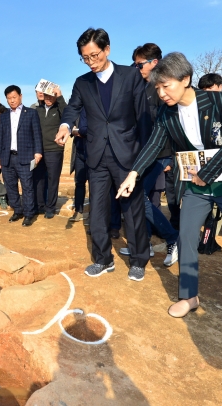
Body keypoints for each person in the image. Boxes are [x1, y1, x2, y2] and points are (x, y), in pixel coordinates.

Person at [118, 52, 222, 335]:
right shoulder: (167, 114)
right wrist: (133, 174)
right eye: (157, 87)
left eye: (166, 85)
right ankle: (188, 296)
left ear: (186, 79)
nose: (161, 92)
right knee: (187, 237)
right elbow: (154, 145)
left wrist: (207, 173)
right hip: (194, 184)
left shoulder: (219, 101)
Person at [55, 28, 151, 281]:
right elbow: (72, 108)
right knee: (97, 210)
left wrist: (144, 155)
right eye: (85, 58)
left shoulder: (130, 76)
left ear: (107, 49)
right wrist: (65, 126)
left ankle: (139, 260)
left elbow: (143, 117)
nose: (91, 62)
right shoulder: (82, 83)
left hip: (127, 154)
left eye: (94, 55)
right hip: (96, 155)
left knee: (132, 209)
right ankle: (103, 259)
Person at [130, 43, 179, 265]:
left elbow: (172, 125)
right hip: (145, 153)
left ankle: (172, 237)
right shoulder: (141, 88)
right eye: (135, 63)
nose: (136, 67)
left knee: (140, 197)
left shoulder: (163, 89)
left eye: (140, 64)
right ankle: (144, 244)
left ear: (154, 63)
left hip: (161, 154)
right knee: (142, 198)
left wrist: (171, 156)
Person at [0, 85, 43, 226]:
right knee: (10, 186)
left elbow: (37, 134)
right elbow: (1, 138)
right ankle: (17, 210)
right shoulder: (4, 116)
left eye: (14, 97)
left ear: (20, 96)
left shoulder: (31, 113)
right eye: (9, 98)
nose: (12, 101)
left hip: (26, 156)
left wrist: (38, 152)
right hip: (7, 157)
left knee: (27, 186)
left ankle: (29, 214)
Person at [35, 87, 66, 219]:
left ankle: (50, 208)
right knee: (39, 179)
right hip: (38, 150)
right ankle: (40, 205)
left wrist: (60, 97)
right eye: (46, 96)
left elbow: (68, 114)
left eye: (51, 96)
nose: (48, 99)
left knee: (53, 179)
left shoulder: (59, 109)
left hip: (54, 150)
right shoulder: (37, 110)